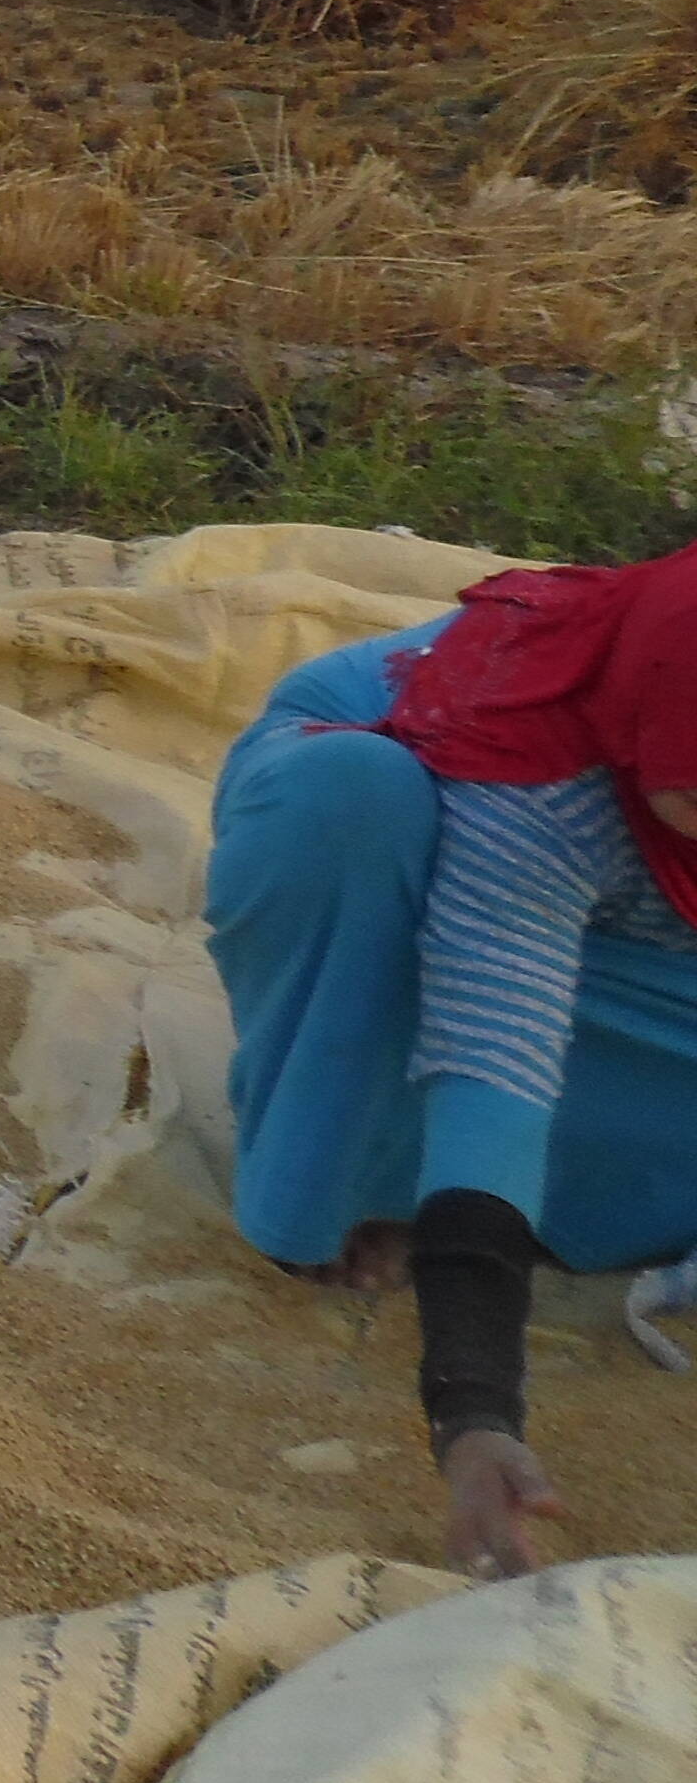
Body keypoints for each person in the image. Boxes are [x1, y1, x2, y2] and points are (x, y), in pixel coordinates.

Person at [207, 539, 697, 1580]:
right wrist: (473, 1412)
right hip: (398, 813)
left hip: (636, 913)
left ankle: (570, 1197)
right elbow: (497, 1068)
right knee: (350, 798)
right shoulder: (542, 783)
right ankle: (332, 1180)